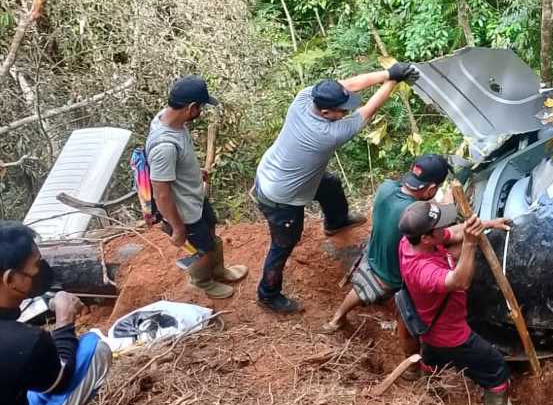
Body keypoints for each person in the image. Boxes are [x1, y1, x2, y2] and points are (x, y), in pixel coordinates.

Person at [253, 64, 419, 314]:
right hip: (282, 196)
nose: (345, 112)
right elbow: (369, 110)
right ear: (326, 111)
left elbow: (348, 85)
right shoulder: (328, 133)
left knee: (329, 184)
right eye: (342, 110)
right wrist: (393, 82)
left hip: (274, 170)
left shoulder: (303, 99)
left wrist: (390, 73)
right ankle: (268, 294)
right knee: (283, 244)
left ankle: (336, 222)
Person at [0, 222, 112, 405]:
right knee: (94, 350)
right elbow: (61, 378)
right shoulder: (24, 343)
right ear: (10, 279)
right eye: (36, 266)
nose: (40, 271)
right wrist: (64, 322)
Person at [397, 200, 512, 405]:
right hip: (451, 334)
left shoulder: (409, 241)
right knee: (495, 365)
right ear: (426, 237)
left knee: (433, 356)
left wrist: (487, 224)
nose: (445, 228)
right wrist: (469, 243)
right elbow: (461, 282)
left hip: (429, 327)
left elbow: (451, 233)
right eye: (439, 226)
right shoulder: (421, 270)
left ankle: (430, 384)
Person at [320, 154, 452, 334]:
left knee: (360, 291)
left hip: (372, 254)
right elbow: (445, 229)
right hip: (391, 275)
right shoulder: (413, 214)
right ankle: (403, 326)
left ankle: (337, 319)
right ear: (431, 189)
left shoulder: (386, 187)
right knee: (444, 255)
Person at [149, 76, 247, 299]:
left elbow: (176, 167)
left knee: (211, 230)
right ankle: (202, 281)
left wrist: (194, 172)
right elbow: (161, 194)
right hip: (184, 211)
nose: (201, 111)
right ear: (192, 107)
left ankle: (218, 270)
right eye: (201, 107)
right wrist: (177, 227)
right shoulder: (164, 147)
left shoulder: (169, 120)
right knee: (201, 248)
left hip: (194, 196)